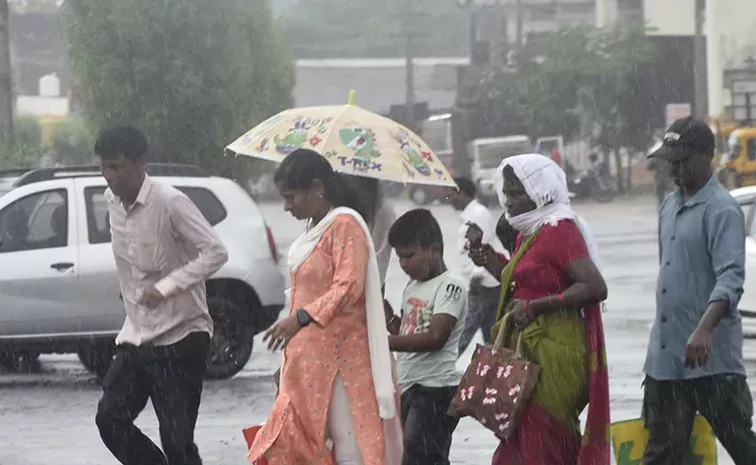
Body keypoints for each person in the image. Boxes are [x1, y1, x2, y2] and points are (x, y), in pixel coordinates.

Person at [248, 149, 402, 465]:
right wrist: (289, 354)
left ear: (317, 188)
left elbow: (348, 287)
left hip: (342, 358)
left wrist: (302, 318)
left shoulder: (345, 225)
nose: (286, 206)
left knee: (348, 446)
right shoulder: (313, 230)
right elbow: (302, 294)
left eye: (291, 196)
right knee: (304, 442)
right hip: (307, 358)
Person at [94, 125, 229, 465]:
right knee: (110, 419)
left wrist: (167, 286)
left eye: (118, 167)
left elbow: (215, 252)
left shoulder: (170, 201)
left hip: (182, 335)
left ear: (142, 162)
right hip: (138, 336)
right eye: (104, 167)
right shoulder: (111, 201)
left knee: (177, 442)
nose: (110, 176)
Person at [469, 153, 610, 465]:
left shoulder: (559, 229)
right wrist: (488, 259)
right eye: (506, 193)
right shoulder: (530, 231)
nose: (509, 201)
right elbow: (525, 281)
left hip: (553, 355)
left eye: (518, 193)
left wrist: (537, 308)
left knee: (542, 446)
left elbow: (595, 287)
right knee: (518, 448)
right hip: (527, 354)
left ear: (540, 193)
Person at [642, 116, 756, 465]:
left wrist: (705, 328)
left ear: (707, 154)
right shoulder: (669, 207)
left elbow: (731, 277)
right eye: (669, 162)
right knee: (662, 454)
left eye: (681, 160)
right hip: (667, 360)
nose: (673, 169)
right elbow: (670, 277)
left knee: (742, 446)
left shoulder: (722, 209)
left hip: (713, 361)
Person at [384, 208, 466, 465]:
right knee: (419, 455)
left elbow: (434, 338)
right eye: (399, 257)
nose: (404, 264)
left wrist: (383, 343)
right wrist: (385, 316)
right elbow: (409, 331)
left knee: (420, 453)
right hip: (410, 386)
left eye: (409, 255)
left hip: (436, 389)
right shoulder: (412, 286)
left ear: (435, 250)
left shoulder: (450, 286)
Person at [448, 176, 502, 354]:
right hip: (487, 283)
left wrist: (477, 274)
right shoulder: (470, 216)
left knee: (464, 330)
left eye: (451, 194)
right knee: (491, 334)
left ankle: (441, 369)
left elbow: (483, 245)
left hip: (483, 283)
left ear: (463, 193)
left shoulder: (478, 214)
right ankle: (497, 368)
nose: (449, 199)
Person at [340, 175, 397, 287]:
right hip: (349, 284)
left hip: (370, 285)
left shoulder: (383, 212)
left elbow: (377, 250)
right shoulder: (350, 208)